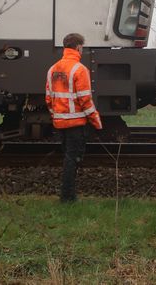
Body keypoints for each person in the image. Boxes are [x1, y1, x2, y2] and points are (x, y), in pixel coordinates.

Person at [45, 33, 103, 202]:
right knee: (73, 160)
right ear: (78, 47)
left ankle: (67, 195)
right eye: (82, 47)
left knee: (68, 157)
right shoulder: (80, 69)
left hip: (60, 123)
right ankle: (67, 197)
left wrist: (56, 115)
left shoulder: (53, 69)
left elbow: (49, 98)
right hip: (76, 124)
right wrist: (96, 121)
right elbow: (85, 100)